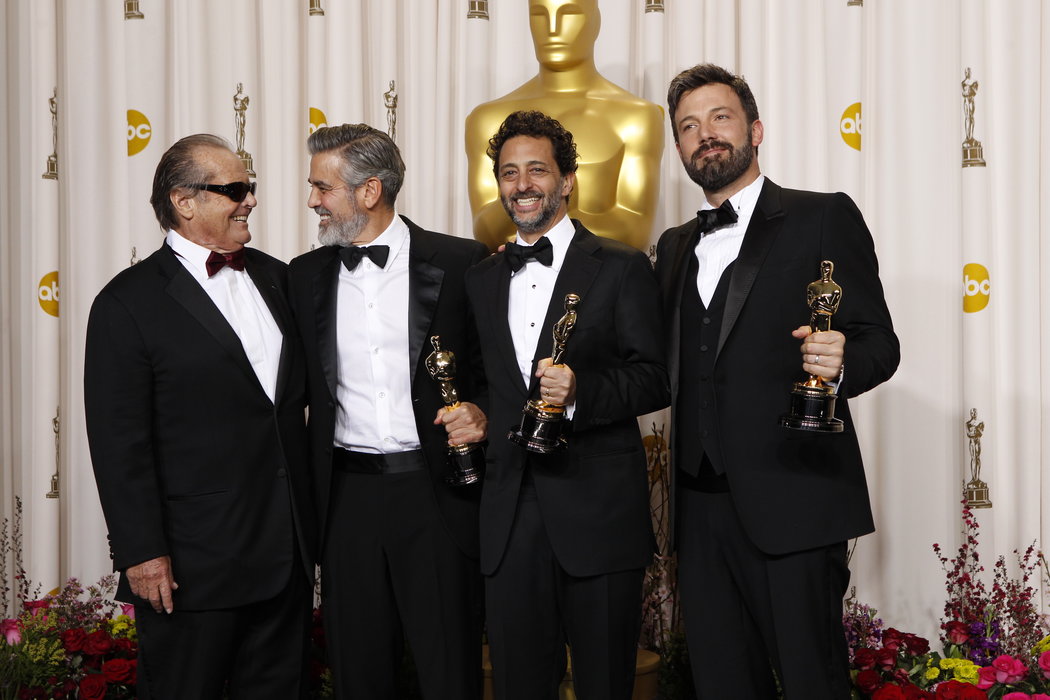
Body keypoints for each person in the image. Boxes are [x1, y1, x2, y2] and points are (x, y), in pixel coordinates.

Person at [655, 63, 900, 699]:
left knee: (811, 682)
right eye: (688, 127)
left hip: (794, 500)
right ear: (679, 149)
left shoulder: (822, 216)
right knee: (722, 685)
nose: (704, 135)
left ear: (755, 130)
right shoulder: (675, 244)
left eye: (719, 118)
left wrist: (841, 361)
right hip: (699, 508)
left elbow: (881, 343)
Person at [84, 134, 316, 699]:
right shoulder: (125, 302)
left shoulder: (278, 277)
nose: (252, 200)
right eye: (236, 189)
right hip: (192, 567)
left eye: (251, 188)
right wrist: (141, 553)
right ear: (184, 201)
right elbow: (119, 443)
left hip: (285, 557)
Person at [466, 110, 668, 700]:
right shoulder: (479, 280)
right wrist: (474, 413)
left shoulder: (622, 266)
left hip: (598, 516)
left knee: (606, 684)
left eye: (537, 170)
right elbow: (486, 382)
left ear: (568, 180)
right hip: (509, 517)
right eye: (508, 172)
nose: (522, 184)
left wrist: (581, 394)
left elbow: (655, 379)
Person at [288, 123, 488, 700]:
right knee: (358, 669)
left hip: (436, 493)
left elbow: (497, 372)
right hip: (345, 499)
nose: (312, 201)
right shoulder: (303, 277)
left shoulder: (462, 261)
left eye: (322, 188)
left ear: (369, 191)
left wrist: (485, 414)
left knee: (448, 666)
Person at [464, 0, 663, 250]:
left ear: (596, 22)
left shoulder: (638, 116)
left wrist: (532, 227)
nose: (553, 28)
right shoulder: (488, 118)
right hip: (511, 281)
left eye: (568, 14)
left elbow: (634, 231)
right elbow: (485, 229)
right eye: (539, 15)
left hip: (602, 284)